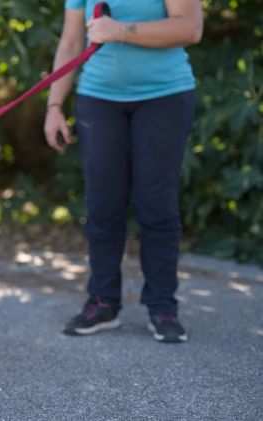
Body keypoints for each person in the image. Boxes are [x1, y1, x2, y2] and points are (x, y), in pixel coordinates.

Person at [44, 0, 203, 343]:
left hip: (165, 97)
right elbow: (71, 41)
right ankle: (103, 302)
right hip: (98, 98)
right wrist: (54, 106)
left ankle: (162, 306)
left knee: (155, 205)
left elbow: (190, 28)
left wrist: (120, 31)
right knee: (102, 205)